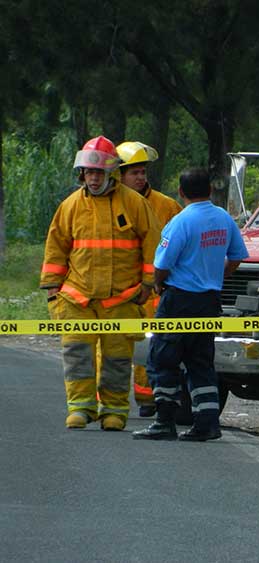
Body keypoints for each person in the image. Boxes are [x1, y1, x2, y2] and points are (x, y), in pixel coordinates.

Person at [40, 136, 160, 431]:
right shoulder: (69, 206)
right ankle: (80, 407)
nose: (93, 179)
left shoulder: (134, 204)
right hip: (77, 299)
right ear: (82, 173)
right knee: (77, 355)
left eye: (98, 173)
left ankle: (114, 411)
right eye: (88, 173)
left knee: (117, 359)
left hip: (122, 298)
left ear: (111, 173)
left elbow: (152, 244)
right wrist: (53, 288)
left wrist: (148, 284)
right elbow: (56, 248)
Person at [133, 167, 248, 441]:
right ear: (210, 190)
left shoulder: (180, 222)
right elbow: (237, 256)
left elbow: (161, 264)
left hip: (178, 301)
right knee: (200, 362)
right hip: (209, 301)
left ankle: (164, 421)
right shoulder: (224, 218)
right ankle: (207, 423)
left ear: (181, 192)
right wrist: (219, 274)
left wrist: (159, 284)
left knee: (163, 359)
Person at [116, 141, 182, 418]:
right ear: (118, 175)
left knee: (153, 346)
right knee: (113, 346)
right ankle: (106, 401)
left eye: (143, 172)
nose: (141, 177)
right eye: (134, 172)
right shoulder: (109, 205)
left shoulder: (166, 206)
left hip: (155, 289)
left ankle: (149, 399)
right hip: (119, 290)